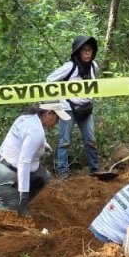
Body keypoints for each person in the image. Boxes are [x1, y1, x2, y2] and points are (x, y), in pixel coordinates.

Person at [0, 101, 71, 217]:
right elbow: (24, 162)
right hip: (4, 175)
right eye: (57, 118)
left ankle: (10, 199)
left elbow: (25, 138)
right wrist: (24, 196)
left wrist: (44, 145)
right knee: (14, 214)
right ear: (49, 114)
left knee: (44, 176)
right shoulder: (36, 131)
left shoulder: (26, 118)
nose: (57, 123)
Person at [46, 36, 100, 178]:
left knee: (91, 140)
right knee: (64, 142)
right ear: (78, 52)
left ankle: (95, 170)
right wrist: (56, 103)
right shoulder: (70, 67)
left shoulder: (94, 66)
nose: (88, 53)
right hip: (67, 108)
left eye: (90, 50)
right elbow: (49, 80)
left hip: (86, 108)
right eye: (84, 50)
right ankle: (63, 174)